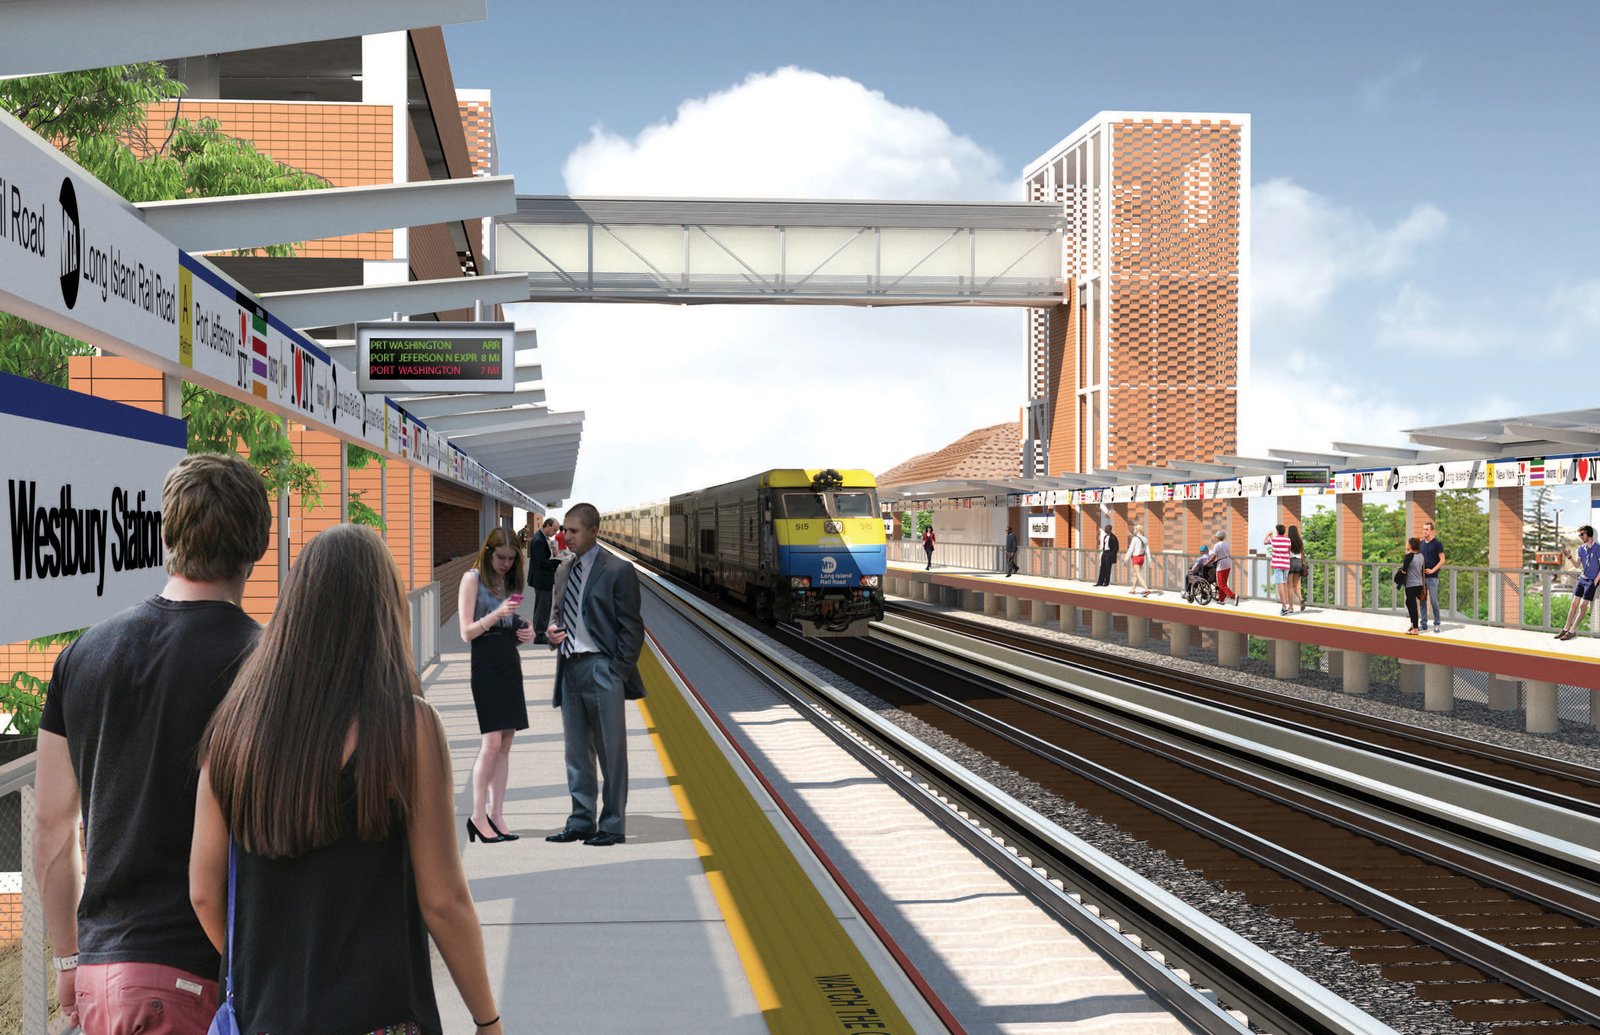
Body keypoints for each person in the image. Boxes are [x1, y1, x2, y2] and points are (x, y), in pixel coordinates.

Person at [191, 524, 501, 1034]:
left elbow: (203, 892)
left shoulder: (231, 730)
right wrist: (487, 1021)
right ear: (384, 611)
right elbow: (443, 902)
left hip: (268, 1018)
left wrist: (270, 970)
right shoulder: (409, 728)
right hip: (380, 1018)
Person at [34, 453, 272, 1034]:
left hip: (102, 973)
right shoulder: (265, 665)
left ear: (167, 532)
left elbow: (49, 827)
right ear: (258, 545)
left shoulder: (82, 655)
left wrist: (68, 958)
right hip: (200, 976)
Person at [545, 504, 646, 847]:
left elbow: (632, 628)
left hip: (602, 668)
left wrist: (617, 670)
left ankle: (613, 825)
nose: (566, 536)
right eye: (565, 530)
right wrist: (552, 632)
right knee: (576, 752)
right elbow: (557, 615)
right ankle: (581, 820)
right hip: (570, 667)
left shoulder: (618, 570)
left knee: (610, 752)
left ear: (593, 531)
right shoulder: (563, 572)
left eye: (573, 531)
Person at [459, 527, 535, 844]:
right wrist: (497, 615)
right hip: (486, 663)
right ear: (488, 552)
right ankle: (477, 815)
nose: (505, 564)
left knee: (505, 745)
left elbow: (509, 623)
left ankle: (497, 813)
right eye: (500, 557)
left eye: (510, 559)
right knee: (490, 743)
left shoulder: (509, 582)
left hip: (507, 661)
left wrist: (523, 629)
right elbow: (467, 632)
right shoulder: (471, 579)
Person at [1556, 524, 1599, 641]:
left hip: (1592, 581)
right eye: (1579, 534)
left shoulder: (1598, 548)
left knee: (1583, 605)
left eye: (1582, 534)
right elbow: (1577, 565)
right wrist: (1569, 556)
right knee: (1574, 604)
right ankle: (1565, 628)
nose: (1580, 536)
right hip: (1582, 579)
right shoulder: (1580, 549)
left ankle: (1572, 630)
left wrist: (1595, 581)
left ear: (1589, 534)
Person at [528, 516, 563, 644]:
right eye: (554, 530)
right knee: (542, 608)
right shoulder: (538, 540)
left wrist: (559, 555)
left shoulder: (544, 538)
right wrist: (559, 560)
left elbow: (549, 556)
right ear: (547, 526)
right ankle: (539, 635)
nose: (555, 533)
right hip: (541, 579)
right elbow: (542, 562)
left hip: (545, 579)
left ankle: (541, 632)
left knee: (545, 606)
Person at [1418, 520, 1446, 632]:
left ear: (1432, 531)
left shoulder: (1437, 544)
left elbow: (1443, 560)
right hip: (1421, 577)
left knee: (1434, 601)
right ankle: (1423, 624)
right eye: (1423, 529)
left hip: (1433, 577)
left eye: (1427, 529)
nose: (1424, 531)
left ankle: (1437, 623)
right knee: (1422, 600)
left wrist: (1433, 570)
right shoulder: (1421, 543)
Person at [1401, 536, 1428, 635]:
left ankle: (1415, 629)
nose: (1406, 544)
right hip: (1419, 584)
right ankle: (1413, 624)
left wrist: (1399, 577)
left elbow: (1404, 571)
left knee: (1412, 605)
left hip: (1411, 584)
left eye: (1407, 543)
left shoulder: (1408, 557)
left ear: (1411, 545)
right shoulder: (1421, 556)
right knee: (1409, 602)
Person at [1266, 524, 1292, 615]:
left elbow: (1265, 542)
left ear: (1277, 531)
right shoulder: (1288, 540)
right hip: (1286, 564)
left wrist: (1268, 535)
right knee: (1284, 585)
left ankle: (1284, 607)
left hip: (1278, 565)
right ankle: (1286, 606)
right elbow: (1288, 551)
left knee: (1280, 585)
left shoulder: (1274, 539)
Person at [1212, 530, 1238, 605]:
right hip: (1228, 563)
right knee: (1223, 583)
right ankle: (1221, 600)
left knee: (1221, 584)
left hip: (1221, 565)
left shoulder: (1217, 545)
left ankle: (1233, 596)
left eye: (1215, 537)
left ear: (1217, 537)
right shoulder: (1227, 544)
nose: (1215, 538)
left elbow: (1213, 557)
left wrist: (1208, 562)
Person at [1287, 524, 1307, 612]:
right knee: (1296, 585)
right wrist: (1303, 562)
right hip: (1299, 562)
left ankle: (1291, 607)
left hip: (1290, 562)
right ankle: (1301, 599)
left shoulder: (1288, 541)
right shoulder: (1300, 541)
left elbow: (1286, 552)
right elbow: (1302, 553)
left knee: (1290, 587)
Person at [1094, 522, 1120, 587]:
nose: (1105, 529)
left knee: (1108, 569)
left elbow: (1116, 548)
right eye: (1105, 528)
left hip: (1109, 554)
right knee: (1102, 568)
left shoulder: (1113, 537)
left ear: (1110, 529)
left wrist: (1111, 555)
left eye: (1106, 528)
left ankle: (1106, 583)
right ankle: (1099, 582)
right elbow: (1104, 545)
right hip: (1104, 553)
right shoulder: (1105, 536)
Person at [1128, 524, 1151, 596]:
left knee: (1138, 574)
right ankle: (1133, 589)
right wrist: (1150, 560)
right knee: (1135, 574)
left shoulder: (1134, 539)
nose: (1133, 531)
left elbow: (1130, 550)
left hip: (1136, 558)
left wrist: (1125, 559)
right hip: (1142, 558)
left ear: (1138, 530)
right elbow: (1148, 550)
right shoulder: (1145, 539)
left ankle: (1146, 589)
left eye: (1134, 529)